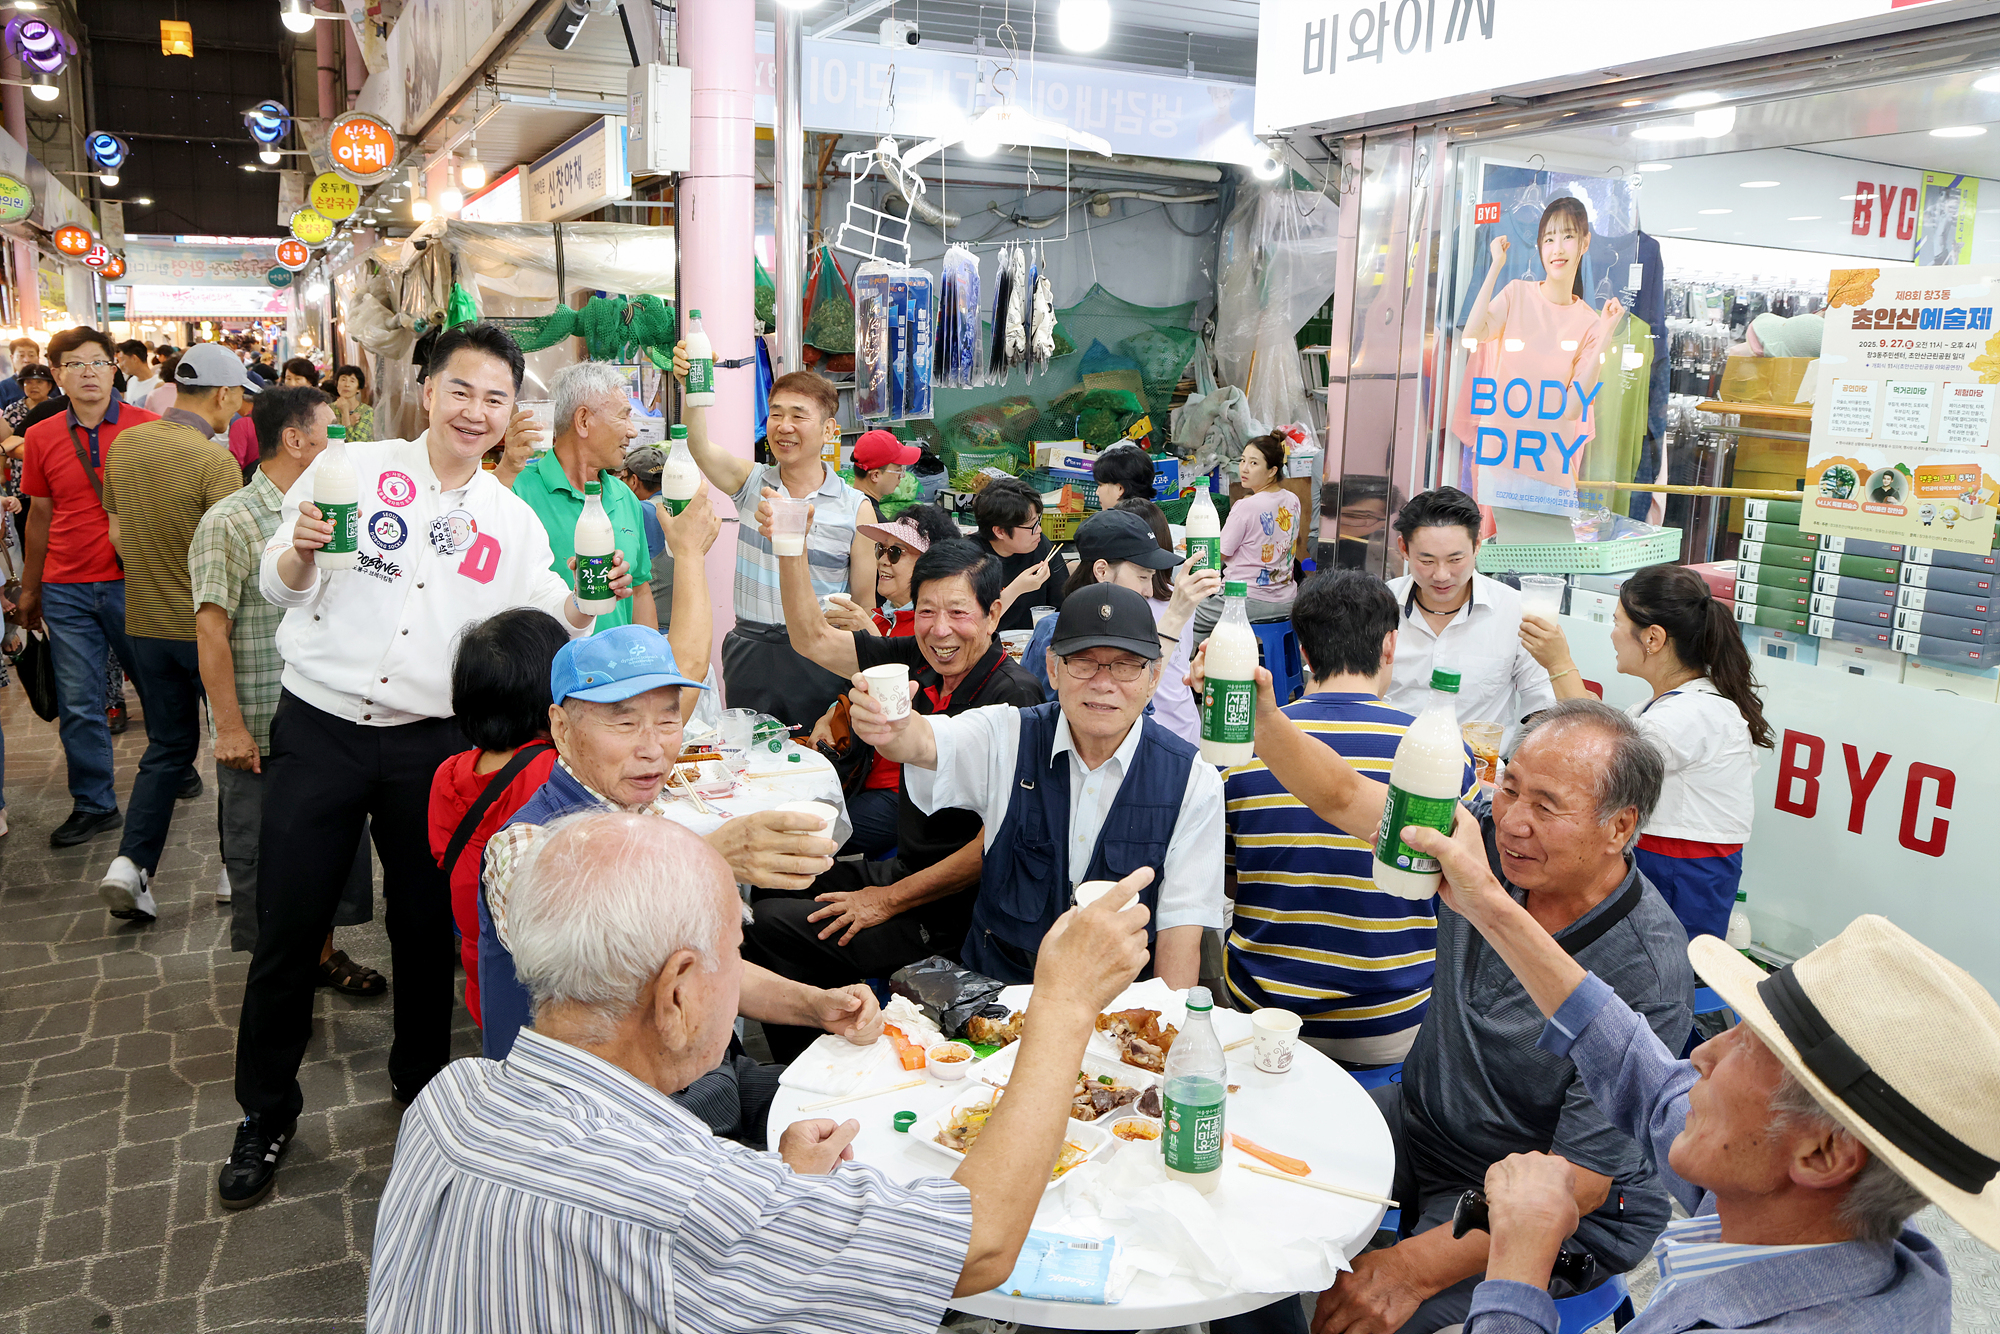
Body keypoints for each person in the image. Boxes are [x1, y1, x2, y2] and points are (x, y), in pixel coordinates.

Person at [367, 807, 1156, 1334]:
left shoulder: (449, 1098)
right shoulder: (690, 1201)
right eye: (734, 955)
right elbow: (979, 1246)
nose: (739, 969)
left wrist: (781, 1193)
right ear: (677, 993)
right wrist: (1064, 1006)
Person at [219, 323, 632, 1211]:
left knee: (422, 929)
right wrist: (296, 549)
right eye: (461, 391)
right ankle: (264, 1112)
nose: (476, 412)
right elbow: (280, 582)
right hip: (318, 726)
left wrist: (589, 600)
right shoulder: (356, 470)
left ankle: (418, 1094)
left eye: (495, 398)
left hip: (428, 746)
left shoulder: (509, 520)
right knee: (287, 927)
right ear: (427, 389)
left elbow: (547, 615)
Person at [1208, 680, 1694, 1334]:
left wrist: (1408, 1268)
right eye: (1512, 786)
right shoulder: (1487, 838)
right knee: (1238, 1193)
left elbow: (1578, 1182)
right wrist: (1264, 718)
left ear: (1621, 826)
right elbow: (1347, 796)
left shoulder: (1647, 967)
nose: (1514, 819)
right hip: (1423, 1119)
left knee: (1358, 1316)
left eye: (1547, 806)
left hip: (1543, 1199)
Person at [1404, 815, 1989, 1334]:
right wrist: (1489, 904)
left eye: (1749, 1046)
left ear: (1822, 1154)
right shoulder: (1806, 1216)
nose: (1699, 1056)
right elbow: (1636, 1067)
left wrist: (1518, 1270)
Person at [475, 627, 872, 1107]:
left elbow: (703, 972)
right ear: (561, 726)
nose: (653, 747)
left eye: (668, 721)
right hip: (588, 1113)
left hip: (686, 1074)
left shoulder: (644, 812)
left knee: (858, 1102)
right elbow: (604, 959)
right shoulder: (524, 844)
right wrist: (705, 860)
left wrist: (816, 1006)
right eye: (623, 724)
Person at [748, 528, 1045, 1055]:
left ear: (994, 613)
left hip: (952, 910)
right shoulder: (927, 658)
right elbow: (812, 639)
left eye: (958, 612)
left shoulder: (1012, 696)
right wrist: (791, 541)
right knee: (779, 876)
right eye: (927, 611)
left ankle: (806, 1069)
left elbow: (997, 843)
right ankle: (831, 1033)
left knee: (770, 929)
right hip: (905, 869)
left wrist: (884, 901)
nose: (941, 629)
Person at [853, 581, 1225, 987]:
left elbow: (1179, 941)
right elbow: (925, 742)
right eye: (1083, 662)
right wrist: (892, 728)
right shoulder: (1009, 735)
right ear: (1052, 667)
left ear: (1153, 676)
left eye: (1126, 664)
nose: (1103, 683)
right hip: (999, 1000)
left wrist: (1157, 1036)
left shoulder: (1192, 779)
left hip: (1117, 1012)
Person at [1222, 568, 1477, 1067]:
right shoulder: (1447, 756)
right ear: (1390, 647)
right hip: (1391, 1019)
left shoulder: (1243, 746)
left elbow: (1233, 883)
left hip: (1260, 1012)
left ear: (1301, 652)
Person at [192, 385, 381, 990]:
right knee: (263, 857)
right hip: (261, 723)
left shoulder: (340, 510)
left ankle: (321, 953)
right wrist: (230, 727)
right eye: (333, 428)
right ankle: (278, 974)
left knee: (330, 853)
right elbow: (211, 629)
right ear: (296, 441)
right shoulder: (232, 520)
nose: (344, 441)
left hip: (326, 721)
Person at [93, 343, 260, 924]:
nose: (240, 409)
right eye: (239, 396)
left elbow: (115, 534)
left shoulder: (126, 444)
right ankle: (231, 871)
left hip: (142, 625)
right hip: (205, 631)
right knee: (235, 747)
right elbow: (235, 546)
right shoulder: (214, 461)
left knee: (166, 749)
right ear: (221, 394)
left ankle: (131, 867)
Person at [1519, 562, 1772, 943]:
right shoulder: (1665, 705)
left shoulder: (1698, 712)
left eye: (1618, 622)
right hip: (1661, 869)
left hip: (1678, 880)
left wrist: (1559, 663)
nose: (1612, 634)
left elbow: (1606, 753)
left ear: (1652, 638)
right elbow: (1608, 726)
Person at [671, 339, 876, 729]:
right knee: (749, 761)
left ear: (829, 429)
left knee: (816, 762)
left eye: (799, 416)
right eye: (776, 414)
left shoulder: (856, 508)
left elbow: (863, 607)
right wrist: (690, 386)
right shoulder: (750, 483)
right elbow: (698, 446)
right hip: (750, 649)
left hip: (820, 655)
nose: (784, 426)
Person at [13, 327, 162, 848]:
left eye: (98, 362)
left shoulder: (148, 428)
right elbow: (38, 517)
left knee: (157, 685)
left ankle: (173, 767)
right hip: (65, 586)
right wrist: (30, 589)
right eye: (75, 364)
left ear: (114, 367)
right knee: (80, 702)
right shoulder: (41, 436)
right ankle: (95, 803)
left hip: (135, 581)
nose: (89, 373)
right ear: (57, 375)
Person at [427, 608, 567, 1029]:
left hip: (480, 959)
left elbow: (441, 853)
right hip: (541, 974)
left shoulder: (448, 772)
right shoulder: (551, 774)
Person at [804, 502, 960, 858]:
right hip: (858, 775)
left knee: (809, 840)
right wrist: (832, 712)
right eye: (880, 549)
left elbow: (919, 700)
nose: (883, 561)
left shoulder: (933, 634)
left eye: (896, 552)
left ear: (929, 564)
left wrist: (873, 639)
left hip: (901, 790)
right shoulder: (879, 616)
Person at [1454, 197, 1624, 514]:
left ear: (1585, 243)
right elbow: (1472, 334)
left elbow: (1573, 408)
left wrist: (1605, 333)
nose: (1557, 248)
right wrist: (1495, 267)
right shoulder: (1517, 293)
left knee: (1544, 558)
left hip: (1549, 476)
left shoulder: (1589, 322)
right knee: (1492, 555)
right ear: (1539, 246)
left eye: (1568, 236)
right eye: (1549, 239)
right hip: (1500, 463)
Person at [1020, 505, 1216, 746]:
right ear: (1101, 570)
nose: (1149, 590)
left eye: (1152, 577)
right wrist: (1174, 617)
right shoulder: (1060, 634)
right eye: (1143, 576)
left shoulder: (1123, 627)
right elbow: (1126, 718)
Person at [1385, 485, 1555, 734]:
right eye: (1427, 561)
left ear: (1476, 545)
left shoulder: (1514, 612)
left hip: (1480, 764)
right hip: (1391, 758)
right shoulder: (1378, 605)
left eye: (1455, 559)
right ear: (1404, 549)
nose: (1441, 575)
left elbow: (1541, 705)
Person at [511, 361, 657, 632]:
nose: (632, 431)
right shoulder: (519, 492)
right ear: (583, 420)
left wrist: (650, 664)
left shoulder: (624, 496)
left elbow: (639, 590)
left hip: (618, 671)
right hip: (547, 670)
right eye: (624, 416)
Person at [1194, 431, 1301, 640]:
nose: (1244, 468)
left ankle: (1191, 668)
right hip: (1287, 600)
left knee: (1187, 615)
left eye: (1253, 463)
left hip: (1245, 600)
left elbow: (1219, 555)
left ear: (1272, 471)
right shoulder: (1293, 500)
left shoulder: (1246, 506)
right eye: (1242, 460)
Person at [974, 476, 1068, 632]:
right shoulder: (971, 559)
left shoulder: (1039, 545)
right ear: (1000, 531)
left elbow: (1063, 606)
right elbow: (974, 623)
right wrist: (1017, 588)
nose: (1039, 530)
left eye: (1038, 521)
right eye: (1032, 525)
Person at [850, 426, 918, 507]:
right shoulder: (871, 516)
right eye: (898, 471)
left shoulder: (848, 504)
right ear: (875, 475)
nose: (902, 476)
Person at [1091, 442, 1155, 507]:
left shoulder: (1111, 517)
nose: (1097, 492)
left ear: (1120, 489)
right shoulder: (1156, 514)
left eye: (1100, 485)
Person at [329, 363, 374, 442]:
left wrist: (345, 414)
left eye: (352, 381)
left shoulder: (366, 411)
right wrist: (349, 421)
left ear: (358, 388)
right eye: (343, 380)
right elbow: (326, 439)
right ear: (337, 384)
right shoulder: (329, 409)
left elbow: (356, 443)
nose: (347, 384)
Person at [0, 336, 39, 407]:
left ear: (38, 358)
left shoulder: (48, 384)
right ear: (12, 358)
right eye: (21, 355)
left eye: (31, 355)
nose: (27, 360)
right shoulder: (3, 387)